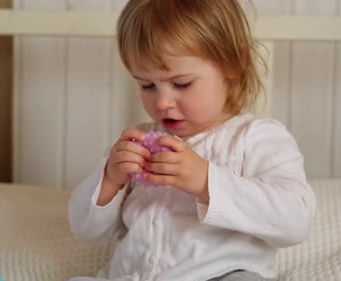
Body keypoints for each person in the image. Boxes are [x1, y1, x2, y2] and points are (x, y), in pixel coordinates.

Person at [68, 0, 316, 280]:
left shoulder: (256, 138)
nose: (161, 102)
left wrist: (205, 181)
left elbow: (296, 220)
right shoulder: (135, 143)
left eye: (181, 84)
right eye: (147, 85)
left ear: (231, 65)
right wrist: (111, 179)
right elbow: (83, 230)